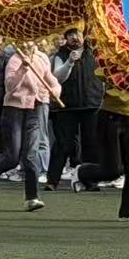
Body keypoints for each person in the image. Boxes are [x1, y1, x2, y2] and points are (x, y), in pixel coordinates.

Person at [0, 42, 62, 211]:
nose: (27, 44)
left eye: (30, 41)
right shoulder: (14, 60)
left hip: (34, 109)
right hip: (14, 109)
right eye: (23, 41)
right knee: (12, 157)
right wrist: (23, 68)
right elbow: (10, 85)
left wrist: (55, 90)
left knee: (30, 155)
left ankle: (32, 198)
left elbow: (52, 81)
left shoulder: (42, 58)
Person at [74, 80, 129, 224]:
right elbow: (109, 80)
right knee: (113, 170)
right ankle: (81, 172)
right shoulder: (116, 66)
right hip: (110, 117)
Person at [47, 28, 102, 191]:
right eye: (70, 35)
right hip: (67, 106)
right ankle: (52, 180)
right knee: (63, 144)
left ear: (83, 36)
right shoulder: (61, 55)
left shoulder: (95, 53)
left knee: (91, 144)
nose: (74, 37)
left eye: (77, 34)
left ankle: (90, 181)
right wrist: (69, 62)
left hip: (91, 104)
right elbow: (58, 77)